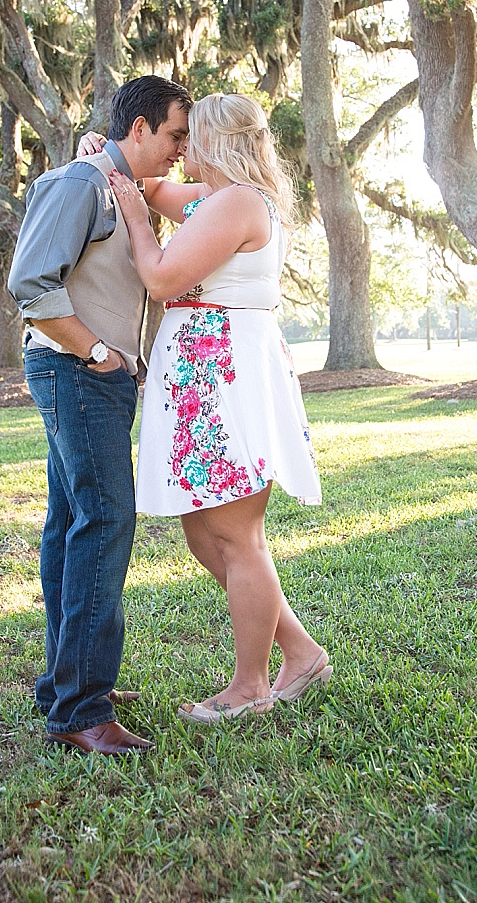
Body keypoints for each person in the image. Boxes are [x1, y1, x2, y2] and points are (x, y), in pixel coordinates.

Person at [107, 94, 329, 724]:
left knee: (236, 536)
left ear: (213, 141)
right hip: (200, 373)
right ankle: (300, 653)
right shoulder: (213, 200)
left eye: (188, 137)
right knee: (205, 532)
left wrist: (136, 220)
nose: (180, 149)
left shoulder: (237, 203)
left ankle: (251, 684)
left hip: (223, 373)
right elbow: (151, 186)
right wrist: (109, 160)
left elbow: (160, 277)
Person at [7, 75, 191, 755]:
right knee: (107, 519)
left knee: (71, 524)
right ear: (138, 128)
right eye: (174, 134)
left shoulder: (122, 188)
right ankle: (82, 712)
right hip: (76, 373)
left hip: (95, 378)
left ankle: (68, 684)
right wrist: (95, 353)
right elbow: (31, 282)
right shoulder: (78, 184)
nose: (179, 149)